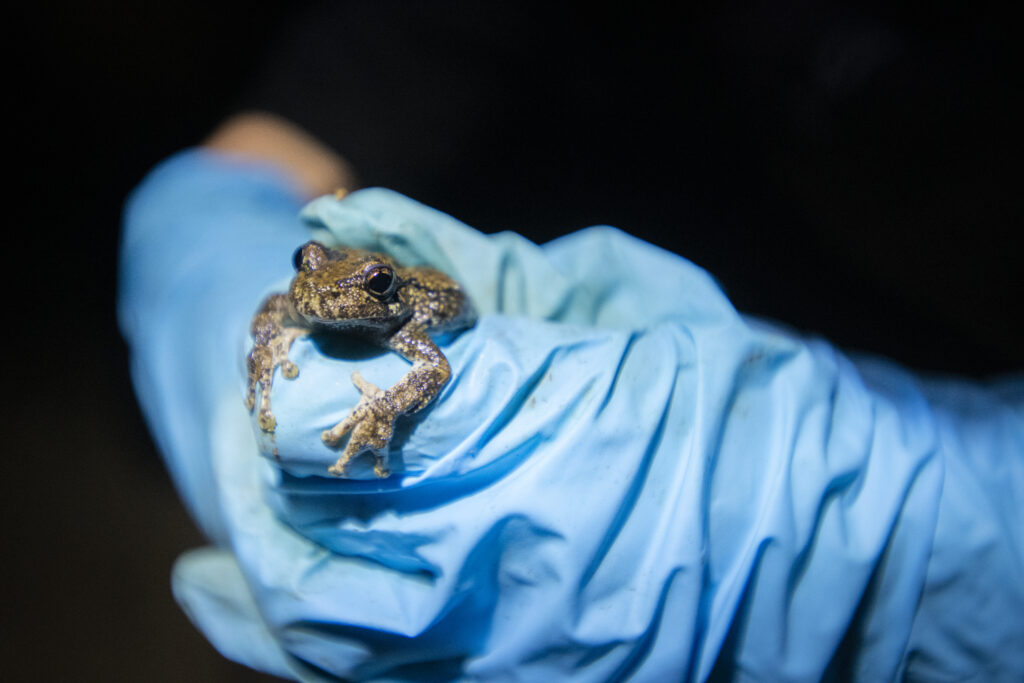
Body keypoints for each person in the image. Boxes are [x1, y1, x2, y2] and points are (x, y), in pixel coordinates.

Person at [119, 6, 1022, 680]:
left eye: (369, 289)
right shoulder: (324, 282)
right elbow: (301, 141)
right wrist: (207, 241)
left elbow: (429, 362)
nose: (329, 293)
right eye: (315, 271)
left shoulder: (409, 312)